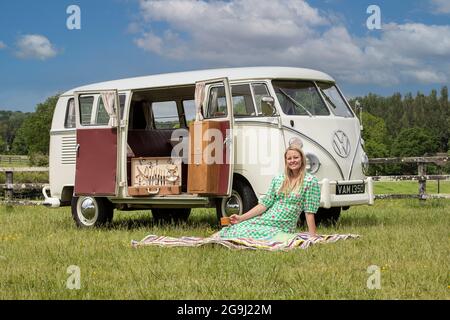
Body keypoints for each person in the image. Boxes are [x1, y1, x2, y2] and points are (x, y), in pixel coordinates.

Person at [219, 142, 320, 241]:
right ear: (286, 161)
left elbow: (309, 211)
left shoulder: (310, 181)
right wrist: (241, 218)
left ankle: (281, 236)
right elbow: (265, 204)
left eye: (296, 157)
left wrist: (312, 236)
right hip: (266, 219)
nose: (292, 161)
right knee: (236, 228)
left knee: (245, 233)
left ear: (302, 159)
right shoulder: (279, 179)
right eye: (289, 158)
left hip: (283, 226)